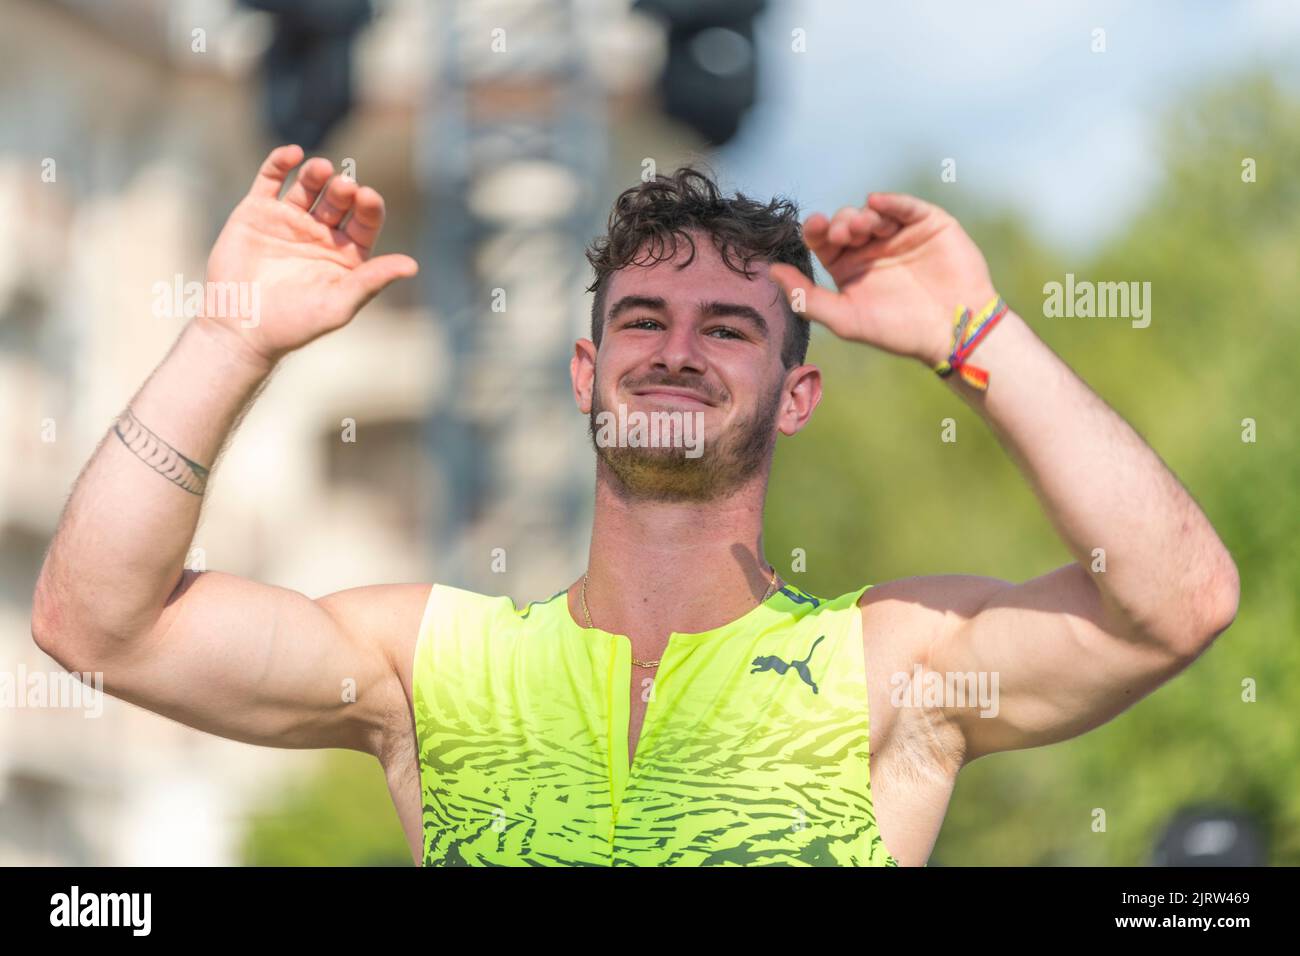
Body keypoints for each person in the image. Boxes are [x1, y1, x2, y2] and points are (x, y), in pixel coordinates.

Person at [31, 145, 1239, 866]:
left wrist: (979, 340)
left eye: (727, 327)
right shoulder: (429, 660)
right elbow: (97, 623)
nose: (676, 349)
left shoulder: (888, 667)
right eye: (642, 321)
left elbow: (1173, 604)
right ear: (583, 372)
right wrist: (228, 339)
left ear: (798, 392)